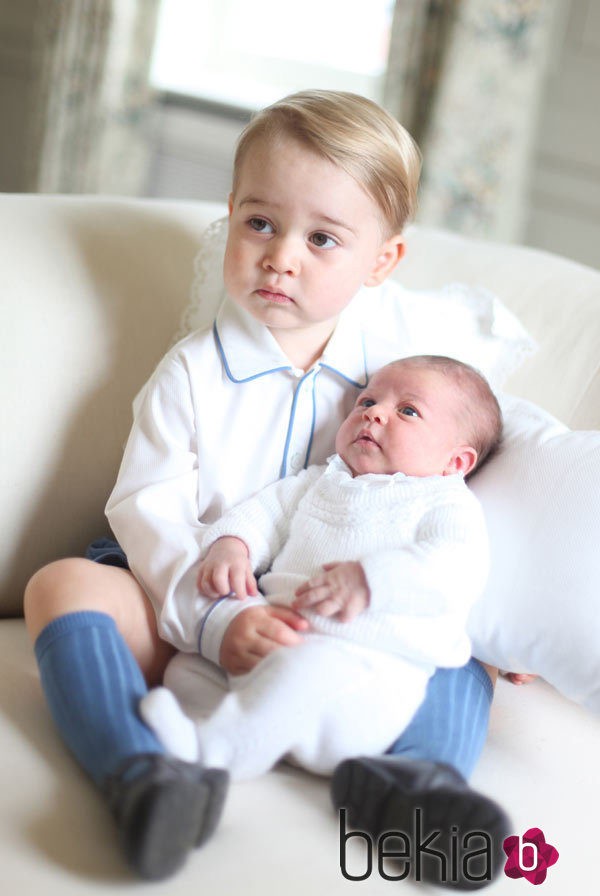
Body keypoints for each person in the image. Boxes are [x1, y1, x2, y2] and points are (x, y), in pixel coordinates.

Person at [24, 89, 510, 886]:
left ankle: (418, 786)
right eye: (260, 224)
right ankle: (143, 773)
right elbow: (147, 511)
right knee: (64, 585)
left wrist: (506, 616)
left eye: (323, 238)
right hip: (187, 596)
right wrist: (219, 618)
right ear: (232, 216)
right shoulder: (192, 373)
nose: (282, 256)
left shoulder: (401, 374)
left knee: (465, 656)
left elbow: (471, 468)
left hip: (343, 618)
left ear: (381, 262)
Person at [139, 355, 500, 791]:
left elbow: (453, 569)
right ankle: (220, 725)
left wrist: (371, 580)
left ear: (456, 462)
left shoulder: (444, 503)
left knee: (307, 671)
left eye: (408, 411)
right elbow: (264, 514)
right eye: (367, 400)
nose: (374, 412)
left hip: (358, 675)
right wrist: (232, 545)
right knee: (189, 668)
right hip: (274, 646)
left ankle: (211, 755)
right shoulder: (320, 479)